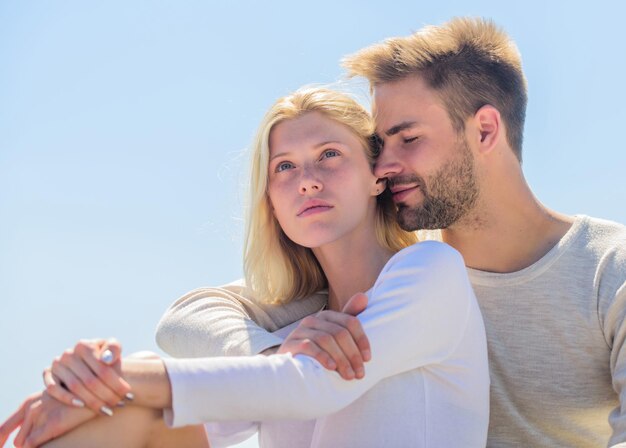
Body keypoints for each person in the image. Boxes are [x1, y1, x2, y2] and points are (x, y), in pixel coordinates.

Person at [155, 17, 626, 447]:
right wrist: (271, 352)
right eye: (381, 145)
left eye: (408, 139)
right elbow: (193, 316)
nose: (385, 164)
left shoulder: (609, 269)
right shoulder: (390, 279)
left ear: (484, 131)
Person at [0, 87, 489, 448]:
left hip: (298, 380)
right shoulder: (296, 332)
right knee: (116, 417)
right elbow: (186, 324)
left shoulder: (430, 271)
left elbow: (312, 386)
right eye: (285, 167)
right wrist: (98, 394)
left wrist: (110, 375)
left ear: (375, 177)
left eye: (329, 155)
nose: (307, 182)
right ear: (270, 201)